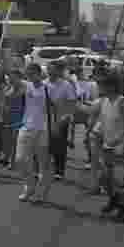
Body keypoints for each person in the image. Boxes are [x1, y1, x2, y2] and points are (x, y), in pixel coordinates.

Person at [79, 71, 124, 223]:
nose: (99, 87)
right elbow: (103, 122)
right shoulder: (103, 102)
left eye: (102, 84)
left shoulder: (122, 102)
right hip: (108, 146)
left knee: (122, 181)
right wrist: (94, 133)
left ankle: (123, 212)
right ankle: (114, 200)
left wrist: (119, 138)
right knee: (105, 179)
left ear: (111, 86)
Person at [15, 63, 51, 203]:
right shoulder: (26, 85)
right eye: (27, 74)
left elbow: (57, 107)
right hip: (26, 127)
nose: (29, 76)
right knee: (20, 159)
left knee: (43, 164)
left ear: (38, 73)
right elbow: (12, 85)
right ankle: (29, 185)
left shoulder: (47, 87)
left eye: (32, 73)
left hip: (43, 129)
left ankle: (41, 193)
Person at [45, 60, 78, 181]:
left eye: (52, 69)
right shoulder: (44, 84)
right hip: (46, 118)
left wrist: (68, 116)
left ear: (58, 71)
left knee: (60, 145)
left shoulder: (66, 85)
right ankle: (45, 167)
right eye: (48, 69)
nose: (49, 71)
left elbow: (72, 102)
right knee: (46, 144)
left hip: (61, 118)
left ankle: (59, 170)